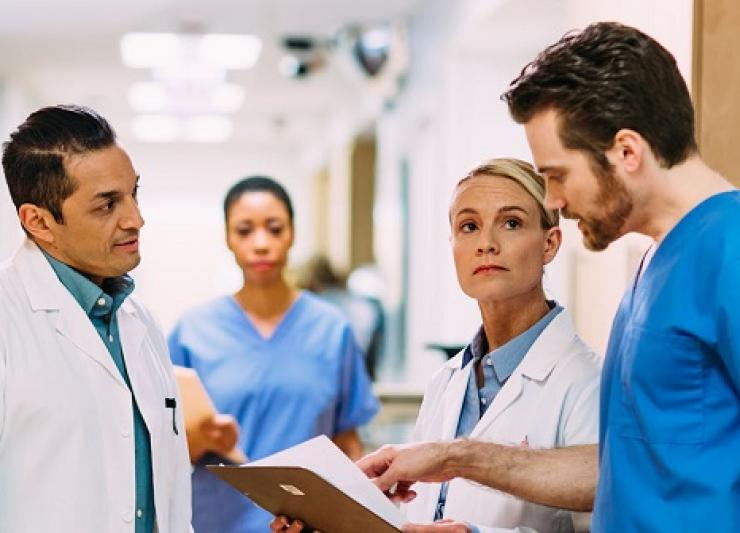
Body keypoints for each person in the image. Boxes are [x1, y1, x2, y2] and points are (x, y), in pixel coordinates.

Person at [358, 21, 740, 533]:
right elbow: (615, 467)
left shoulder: (728, 249)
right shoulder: (656, 266)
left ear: (627, 152)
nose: (555, 200)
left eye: (558, 175)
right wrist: (450, 458)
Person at [271, 159, 601, 533]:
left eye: (511, 223)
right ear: (453, 246)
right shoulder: (448, 381)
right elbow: (419, 519)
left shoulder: (587, 381)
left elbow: (605, 525)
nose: (487, 244)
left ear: (549, 244)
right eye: (469, 226)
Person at [0, 105, 191, 532]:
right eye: (107, 205)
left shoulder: (140, 323)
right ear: (39, 222)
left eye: (133, 194)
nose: (136, 219)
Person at [168, 176, 380, 533]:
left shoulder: (331, 329)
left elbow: (348, 441)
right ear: (227, 238)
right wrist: (200, 440)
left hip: (309, 526)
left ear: (293, 234)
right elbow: (161, 451)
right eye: (245, 230)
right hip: (215, 523)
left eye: (275, 228)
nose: (261, 244)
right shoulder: (193, 331)